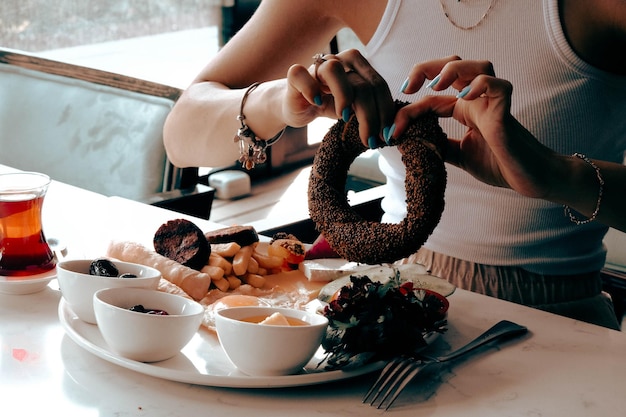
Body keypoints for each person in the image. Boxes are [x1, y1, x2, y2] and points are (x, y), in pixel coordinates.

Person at [163, 0, 626, 329]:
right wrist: (279, 104)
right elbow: (181, 133)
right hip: (392, 302)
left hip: (562, 318)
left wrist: (553, 174)